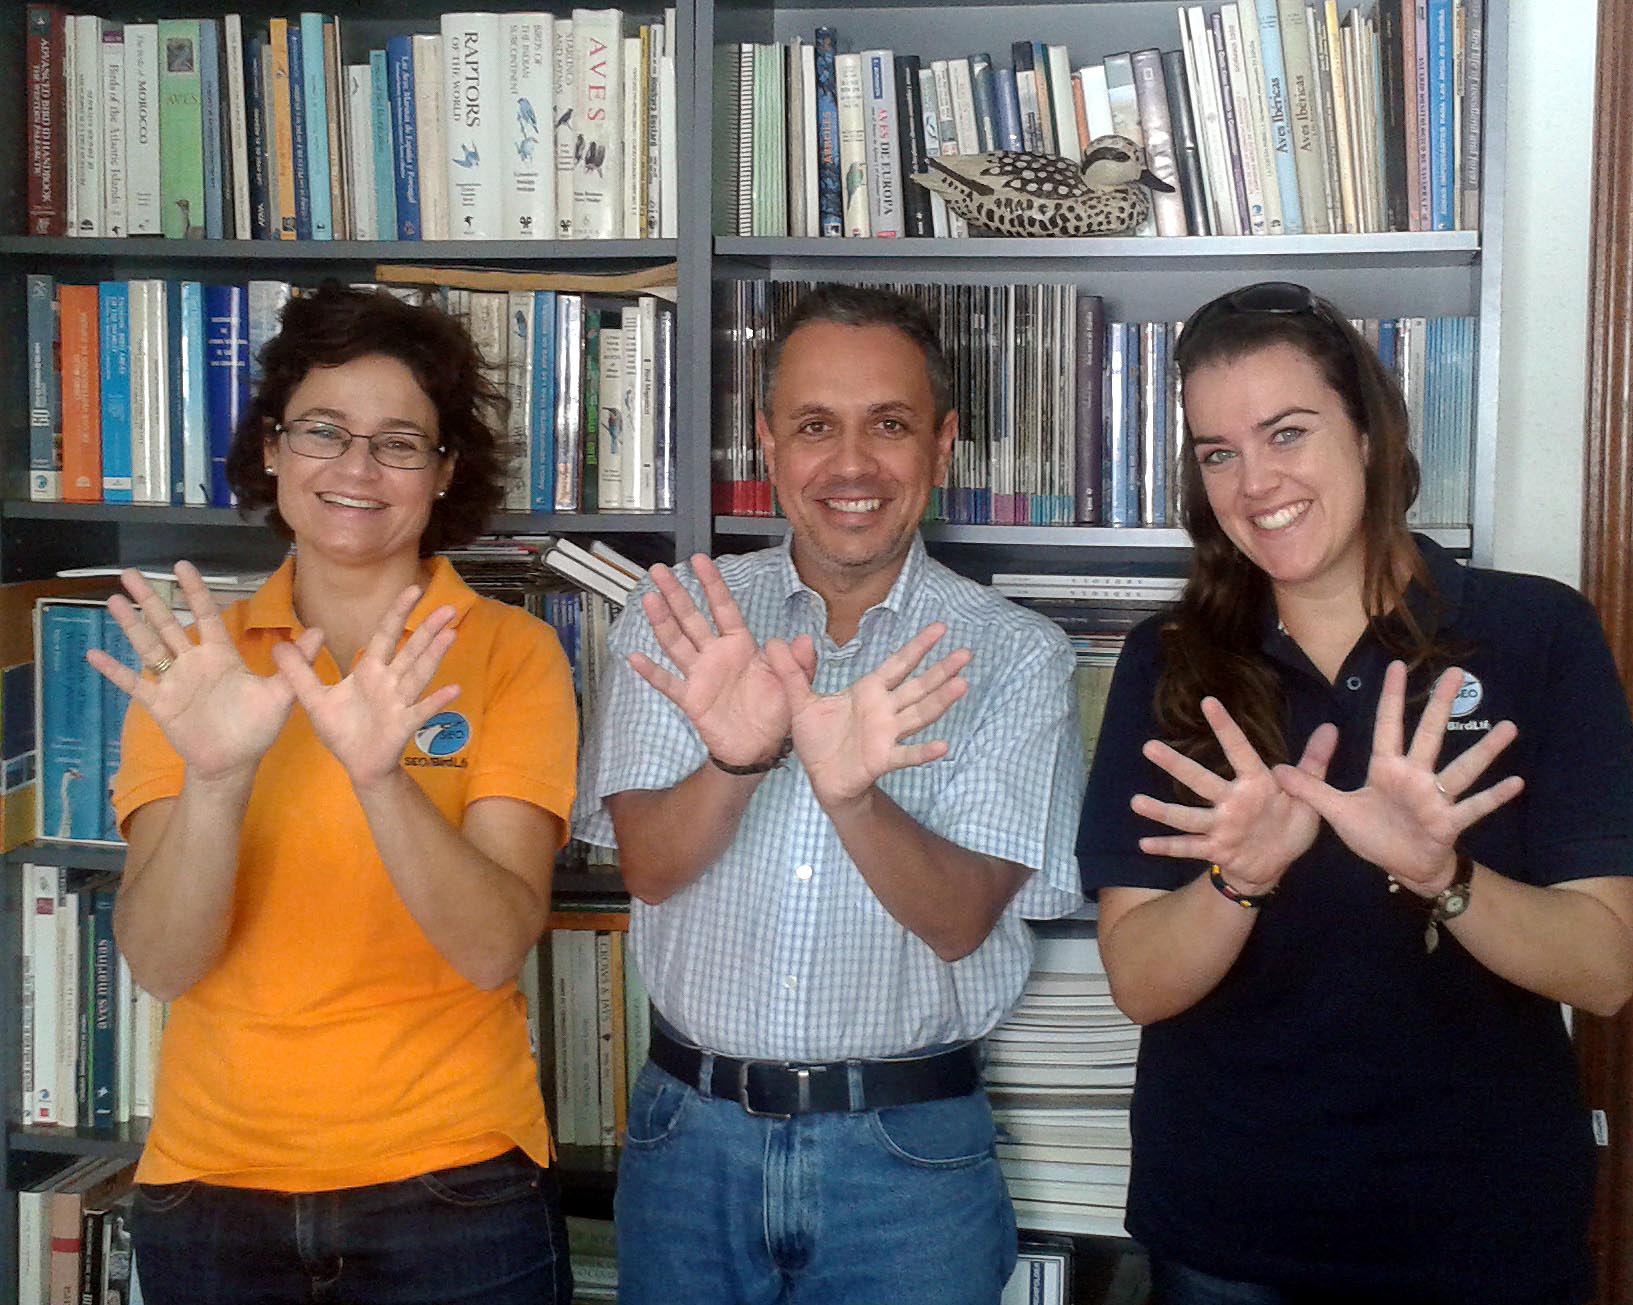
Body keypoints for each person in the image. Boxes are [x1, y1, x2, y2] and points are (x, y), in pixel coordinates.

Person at [1077, 280, 1633, 1305]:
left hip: (1482, 1235)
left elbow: (1603, 971)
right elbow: (1139, 984)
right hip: (1229, 1235)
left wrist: (1444, 873)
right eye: (1217, 452)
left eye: (1287, 432)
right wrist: (1237, 882)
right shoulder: (1172, 662)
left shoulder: (1535, 634)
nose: (1254, 482)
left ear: (1370, 433)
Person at [573, 284, 1086, 1305]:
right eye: (815, 425)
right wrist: (735, 761)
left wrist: (853, 797)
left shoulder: (1016, 654)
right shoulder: (682, 617)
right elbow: (650, 867)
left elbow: (955, 923)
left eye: (887, 425)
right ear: (767, 443)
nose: (851, 466)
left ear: (942, 446)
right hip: (689, 1142)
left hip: (908, 1156)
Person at [91, 284, 577, 1304]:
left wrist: (379, 778)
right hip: (212, 1190)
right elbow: (163, 962)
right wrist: (218, 778)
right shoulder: (196, 668)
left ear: (444, 475)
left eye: (401, 443)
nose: (357, 469)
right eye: (324, 431)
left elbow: (493, 946)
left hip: (455, 1188)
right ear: (271, 449)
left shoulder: (510, 656)